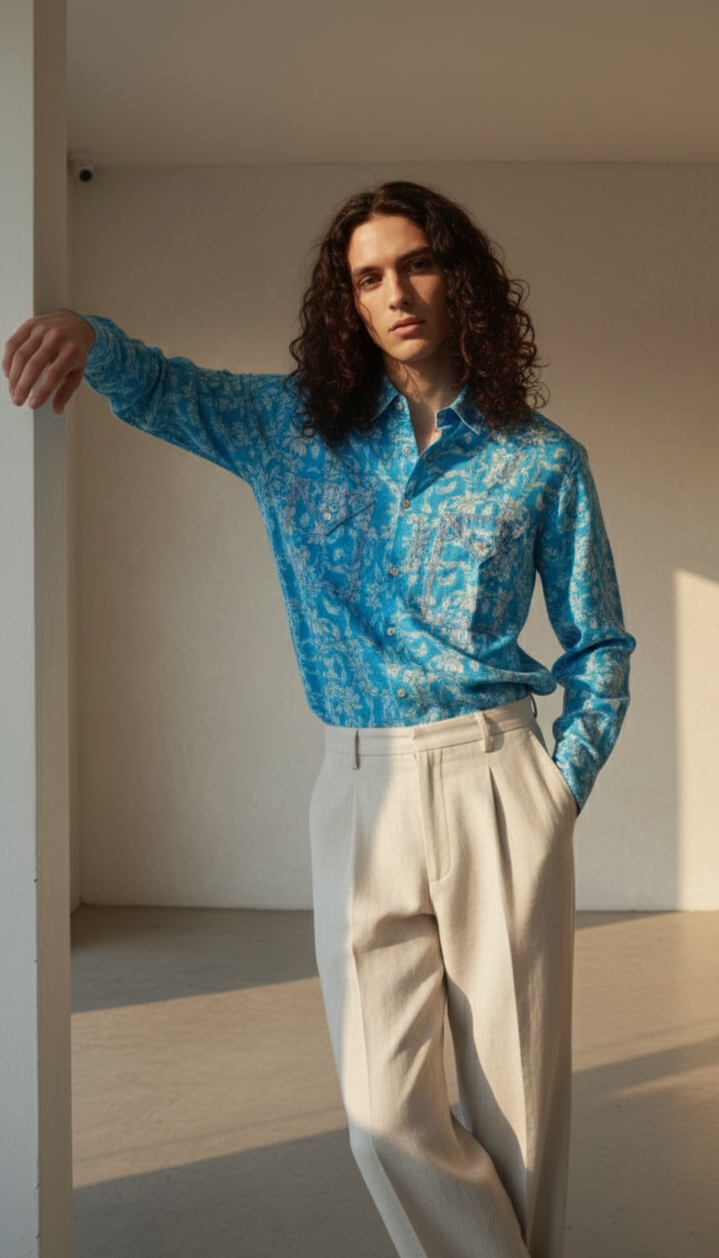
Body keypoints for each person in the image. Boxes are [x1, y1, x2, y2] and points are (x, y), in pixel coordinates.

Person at [3, 180, 634, 1258]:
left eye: (416, 264)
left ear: (460, 277)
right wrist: (85, 333)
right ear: (344, 301)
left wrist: (551, 790)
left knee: (514, 1106)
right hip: (355, 784)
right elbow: (165, 386)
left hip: (496, 778)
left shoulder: (540, 459)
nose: (395, 293)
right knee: (382, 1112)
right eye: (367, 276)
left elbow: (598, 651)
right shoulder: (291, 430)